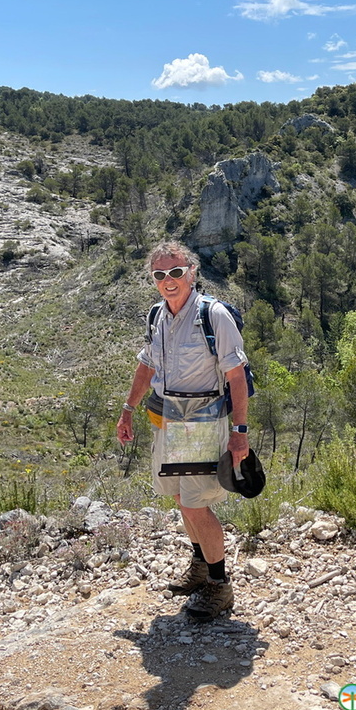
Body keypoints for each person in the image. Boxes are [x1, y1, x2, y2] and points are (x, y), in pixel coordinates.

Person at [116, 240, 250, 621]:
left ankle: (220, 586)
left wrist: (239, 432)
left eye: (175, 272)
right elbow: (147, 366)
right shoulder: (157, 317)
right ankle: (200, 567)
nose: (168, 280)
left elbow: (236, 376)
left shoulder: (213, 315)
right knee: (180, 498)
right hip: (168, 419)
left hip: (203, 421)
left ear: (192, 273)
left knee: (195, 503)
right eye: (159, 274)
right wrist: (128, 410)